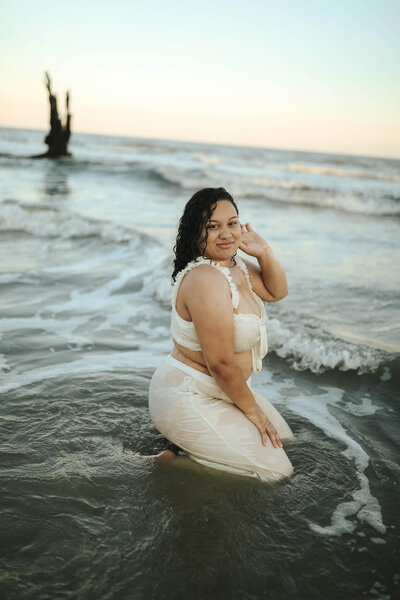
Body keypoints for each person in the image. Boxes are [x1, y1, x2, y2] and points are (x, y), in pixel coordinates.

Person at [148, 187, 294, 482]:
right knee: (277, 471)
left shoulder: (235, 266)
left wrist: (264, 252)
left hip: (224, 389)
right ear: (195, 233)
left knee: (287, 440)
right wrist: (252, 412)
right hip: (189, 395)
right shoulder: (205, 278)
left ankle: (191, 449)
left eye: (232, 223)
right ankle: (169, 462)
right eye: (213, 226)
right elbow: (220, 364)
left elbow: (277, 292)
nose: (226, 234)